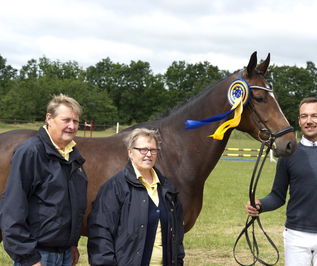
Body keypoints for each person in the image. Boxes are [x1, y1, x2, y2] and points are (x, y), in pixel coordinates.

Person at [246, 97, 317, 266]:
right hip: (296, 237)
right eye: (304, 116)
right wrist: (260, 205)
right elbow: (277, 195)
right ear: (299, 121)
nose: (309, 121)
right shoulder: (288, 154)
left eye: (314, 116)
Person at [0, 94, 88, 266]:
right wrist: (28, 257)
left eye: (76, 121)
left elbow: (72, 205)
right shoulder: (31, 152)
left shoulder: (73, 156)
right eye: (66, 120)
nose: (72, 126)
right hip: (39, 255)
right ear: (49, 118)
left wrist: (72, 243)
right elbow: (13, 206)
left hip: (65, 253)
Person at [88, 128, 185, 266]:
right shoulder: (115, 187)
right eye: (143, 150)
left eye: (153, 150)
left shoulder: (167, 188)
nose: (148, 154)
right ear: (130, 152)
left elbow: (177, 235)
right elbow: (101, 234)